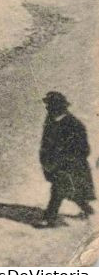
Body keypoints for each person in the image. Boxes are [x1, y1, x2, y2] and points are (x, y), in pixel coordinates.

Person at [39, 91, 95, 227]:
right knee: (71, 190)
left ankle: (50, 218)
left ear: (59, 107)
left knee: (58, 190)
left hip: (70, 166)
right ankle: (86, 208)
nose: (47, 108)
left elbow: (84, 149)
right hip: (55, 164)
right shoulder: (51, 120)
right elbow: (46, 143)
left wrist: (66, 159)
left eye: (50, 105)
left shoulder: (74, 125)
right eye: (47, 106)